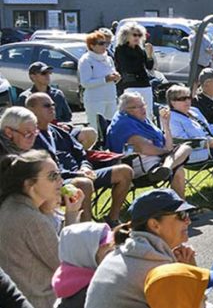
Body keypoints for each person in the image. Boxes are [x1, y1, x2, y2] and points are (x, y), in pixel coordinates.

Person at [26, 93, 134, 224]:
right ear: (32, 110)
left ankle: (113, 219)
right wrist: (78, 173)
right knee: (84, 183)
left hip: (81, 174)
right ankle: (86, 229)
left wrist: (85, 167)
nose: (52, 108)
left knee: (124, 171)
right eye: (46, 106)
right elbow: (43, 171)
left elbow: (81, 154)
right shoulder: (30, 138)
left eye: (53, 105)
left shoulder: (58, 132)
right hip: (58, 182)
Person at [85, 189, 199, 308]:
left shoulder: (128, 252)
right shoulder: (155, 265)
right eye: (181, 215)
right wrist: (190, 272)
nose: (188, 221)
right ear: (154, 225)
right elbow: (195, 304)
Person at [0, 150, 84, 308]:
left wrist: (67, 212)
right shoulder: (31, 220)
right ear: (29, 185)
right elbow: (67, 264)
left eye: (59, 174)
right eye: (53, 176)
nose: (60, 181)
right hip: (39, 302)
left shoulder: (11, 204)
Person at [105, 93, 190, 196]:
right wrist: (168, 152)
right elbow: (144, 148)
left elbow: (168, 146)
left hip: (158, 161)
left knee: (185, 149)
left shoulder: (144, 121)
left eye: (143, 105)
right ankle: (179, 205)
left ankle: (179, 205)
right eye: (137, 107)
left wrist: (165, 124)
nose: (143, 109)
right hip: (139, 164)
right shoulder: (124, 124)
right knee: (179, 165)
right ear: (127, 110)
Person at [31, 57, 101, 149]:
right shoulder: (27, 97)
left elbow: (67, 117)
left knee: (90, 133)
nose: (47, 76)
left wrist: (65, 125)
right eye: (43, 73)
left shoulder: (57, 94)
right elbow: (25, 122)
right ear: (33, 76)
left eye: (49, 73)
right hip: (41, 133)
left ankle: (78, 158)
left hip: (63, 131)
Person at [52, 222, 116, 308]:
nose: (114, 256)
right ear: (84, 255)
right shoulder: (90, 293)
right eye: (108, 252)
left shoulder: (68, 281)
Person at [113, 21, 156, 110]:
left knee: (147, 111)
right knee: (132, 111)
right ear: (126, 35)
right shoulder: (120, 49)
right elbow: (127, 67)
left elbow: (149, 67)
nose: (137, 37)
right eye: (134, 35)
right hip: (129, 84)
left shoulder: (140, 49)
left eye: (139, 35)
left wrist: (149, 55)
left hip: (144, 83)